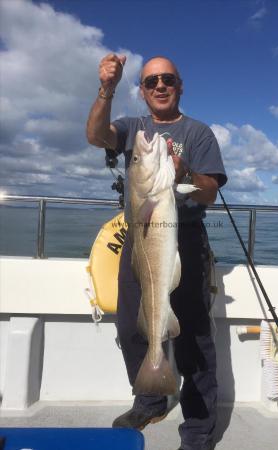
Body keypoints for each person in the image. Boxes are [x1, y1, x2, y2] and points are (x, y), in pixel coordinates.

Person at [86, 53, 227, 450]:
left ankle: (198, 431)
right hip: (140, 238)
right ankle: (151, 397)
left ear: (179, 86)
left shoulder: (199, 133)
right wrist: (106, 90)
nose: (160, 85)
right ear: (143, 91)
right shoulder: (134, 128)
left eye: (167, 79)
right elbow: (96, 135)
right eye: (150, 81)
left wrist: (185, 174)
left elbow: (211, 193)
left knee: (194, 341)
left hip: (187, 239)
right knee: (131, 326)